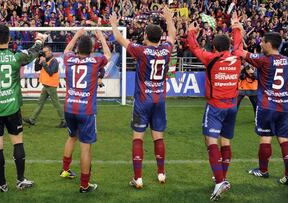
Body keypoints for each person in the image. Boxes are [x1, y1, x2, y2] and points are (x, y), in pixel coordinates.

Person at [0, 24, 47, 192]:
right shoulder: (16, 57)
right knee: (18, 143)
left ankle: (3, 184)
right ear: (9, 38)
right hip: (12, 108)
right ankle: (20, 180)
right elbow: (33, 52)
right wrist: (40, 40)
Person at [109, 7, 176, 189]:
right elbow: (173, 36)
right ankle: (161, 174)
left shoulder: (142, 51)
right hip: (159, 100)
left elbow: (119, 39)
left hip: (142, 101)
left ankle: (138, 178)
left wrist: (114, 25)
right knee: (158, 137)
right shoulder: (166, 50)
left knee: (138, 137)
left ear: (146, 36)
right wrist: (169, 19)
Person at [187, 13, 243, 201]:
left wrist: (191, 32)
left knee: (211, 142)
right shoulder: (236, 56)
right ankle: (222, 177)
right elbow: (238, 44)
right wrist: (236, 27)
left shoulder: (211, 58)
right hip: (232, 107)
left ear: (214, 47)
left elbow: (194, 48)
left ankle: (220, 181)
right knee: (225, 142)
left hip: (215, 106)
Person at [60, 29, 111, 193]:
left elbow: (66, 50)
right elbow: (108, 55)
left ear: (77, 49)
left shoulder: (69, 59)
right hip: (86, 110)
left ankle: (65, 170)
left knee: (71, 137)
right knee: (85, 147)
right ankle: (84, 185)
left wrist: (76, 35)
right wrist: (101, 36)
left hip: (69, 107)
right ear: (91, 49)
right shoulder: (95, 60)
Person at [239, 32, 288, 185]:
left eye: (263, 41)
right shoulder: (286, 61)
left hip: (267, 106)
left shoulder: (264, 60)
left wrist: (238, 29)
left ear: (269, 44)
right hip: (285, 106)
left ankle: (263, 170)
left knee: (266, 137)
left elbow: (239, 51)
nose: (260, 44)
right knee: (284, 140)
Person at [23, 45, 66, 128]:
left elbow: (50, 72)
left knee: (56, 104)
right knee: (40, 103)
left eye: (45, 52)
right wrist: (38, 59)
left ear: (50, 52)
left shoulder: (54, 61)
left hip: (51, 86)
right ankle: (32, 119)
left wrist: (43, 62)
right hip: (46, 85)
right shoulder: (45, 59)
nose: (43, 53)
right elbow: (36, 69)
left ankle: (64, 121)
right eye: (43, 52)